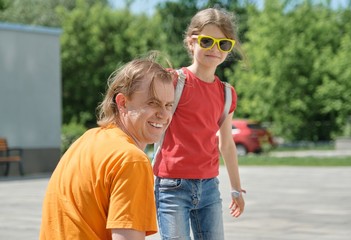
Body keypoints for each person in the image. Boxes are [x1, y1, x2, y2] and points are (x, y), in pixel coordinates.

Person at [40, 56, 175, 240]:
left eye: (169, 105)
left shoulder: (87, 140)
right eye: (152, 103)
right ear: (122, 103)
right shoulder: (131, 160)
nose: (164, 114)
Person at [152, 7, 246, 240]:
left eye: (223, 44)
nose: (215, 49)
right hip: (171, 187)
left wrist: (235, 188)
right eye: (207, 41)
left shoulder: (226, 94)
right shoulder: (173, 81)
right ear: (191, 42)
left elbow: (227, 145)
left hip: (209, 189)